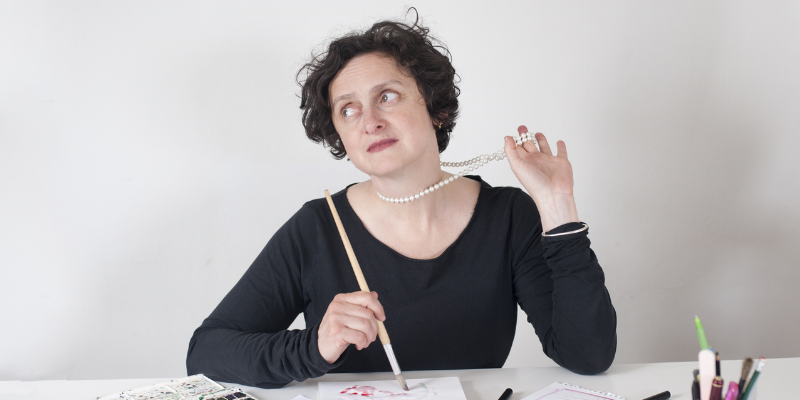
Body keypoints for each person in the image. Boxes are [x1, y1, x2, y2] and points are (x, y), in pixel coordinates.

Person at [186, 15, 616, 389]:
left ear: (435, 108)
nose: (370, 121)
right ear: (340, 136)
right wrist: (313, 345)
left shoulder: (509, 216)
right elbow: (206, 352)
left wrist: (557, 205)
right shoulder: (317, 227)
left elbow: (588, 356)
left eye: (386, 96)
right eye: (348, 110)